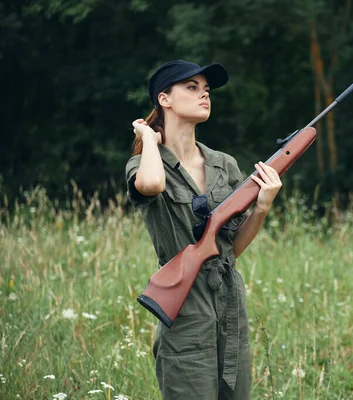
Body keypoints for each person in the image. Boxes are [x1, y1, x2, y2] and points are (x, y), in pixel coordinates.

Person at [125, 59, 281, 400]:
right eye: (192, 88)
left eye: (206, 90)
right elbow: (151, 184)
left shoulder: (224, 165)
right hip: (186, 309)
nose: (204, 95)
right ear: (164, 99)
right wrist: (149, 139)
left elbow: (230, 248)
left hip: (229, 303)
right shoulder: (146, 162)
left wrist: (263, 207)